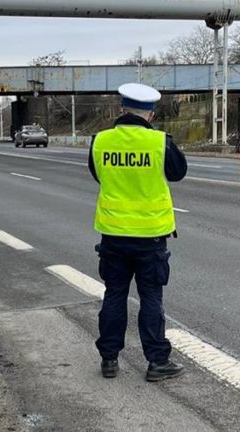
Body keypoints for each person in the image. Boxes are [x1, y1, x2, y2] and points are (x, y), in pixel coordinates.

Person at [88, 83, 188, 382]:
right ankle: (157, 362)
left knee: (114, 295)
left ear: (121, 110)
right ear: (151, 114)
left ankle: (108, 359)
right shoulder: (159, 142)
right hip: (150, 236)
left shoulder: (100, 141)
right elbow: (178, 172)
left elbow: (97, 174)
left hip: (113, 235)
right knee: (151, 299)